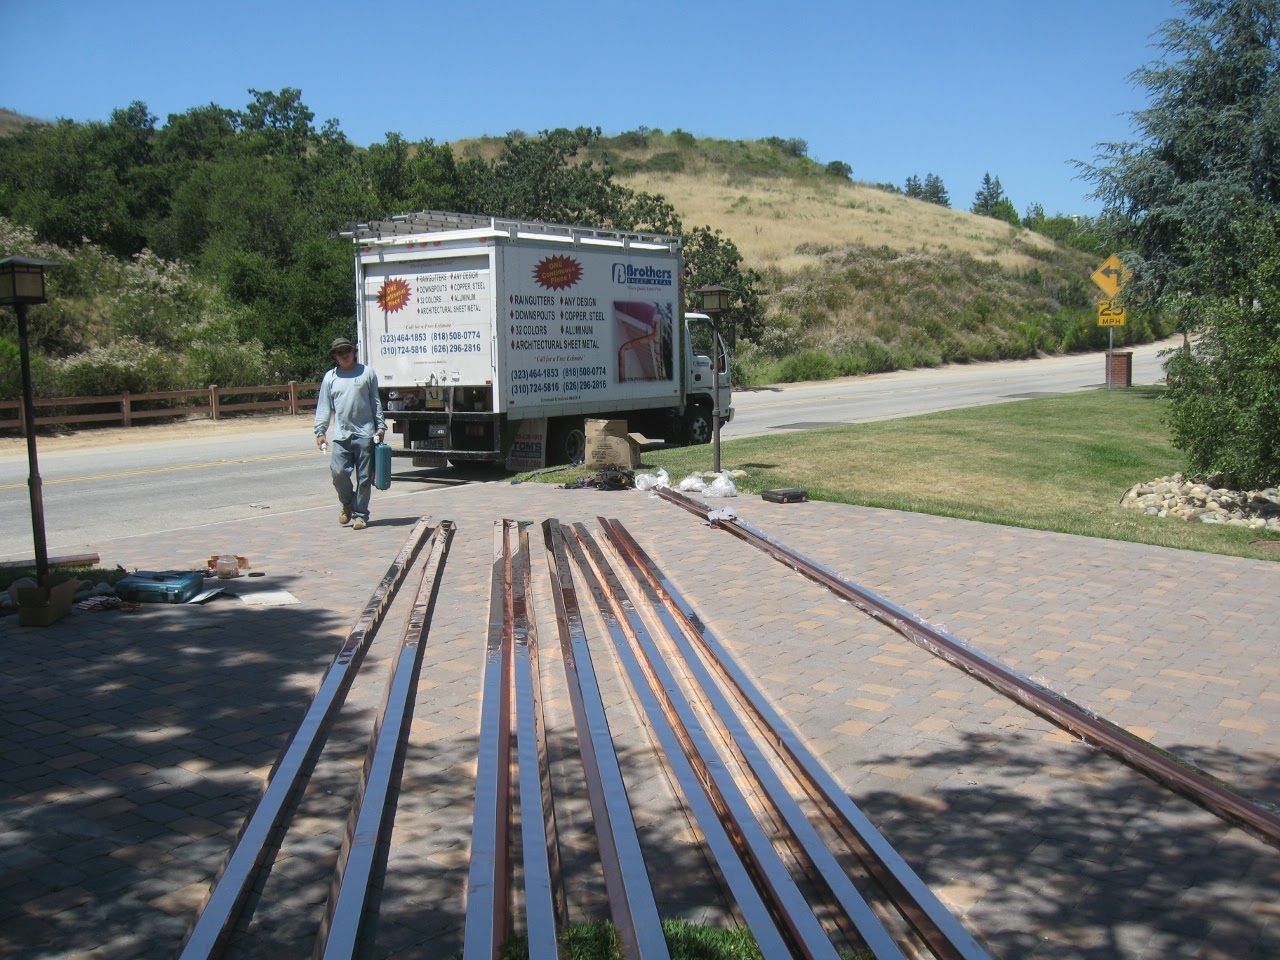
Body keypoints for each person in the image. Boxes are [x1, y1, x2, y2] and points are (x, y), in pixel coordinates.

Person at [314, 336, 386, 530]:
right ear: (334, 357)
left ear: (353, 352)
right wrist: (320, 431)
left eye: (347, 351)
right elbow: (324, 406)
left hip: (365, 433)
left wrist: (381, 426)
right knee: (338, 473)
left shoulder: (367, 373)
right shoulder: (330, 377)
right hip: (341, 435)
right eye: (339, 353)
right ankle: (347, 503)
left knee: (364, 478)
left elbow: (375, 401)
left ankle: (361, 515)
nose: (344, 355)